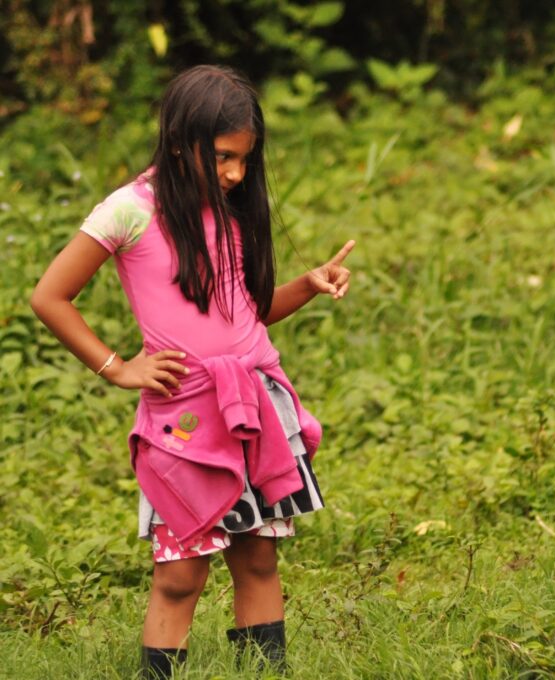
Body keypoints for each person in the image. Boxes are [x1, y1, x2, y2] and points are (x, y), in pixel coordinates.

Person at [30, 64, 354, 678]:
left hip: (254, 405)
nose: (235, 174)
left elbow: (248, 314)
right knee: (181, 573)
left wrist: (307, 286)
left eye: (244, 162)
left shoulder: (232, 210)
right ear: (181, 140)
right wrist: (117, 367)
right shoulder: (130, 209)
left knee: (259, 559)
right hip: (185, 419)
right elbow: (49, 296)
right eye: (225, 157)